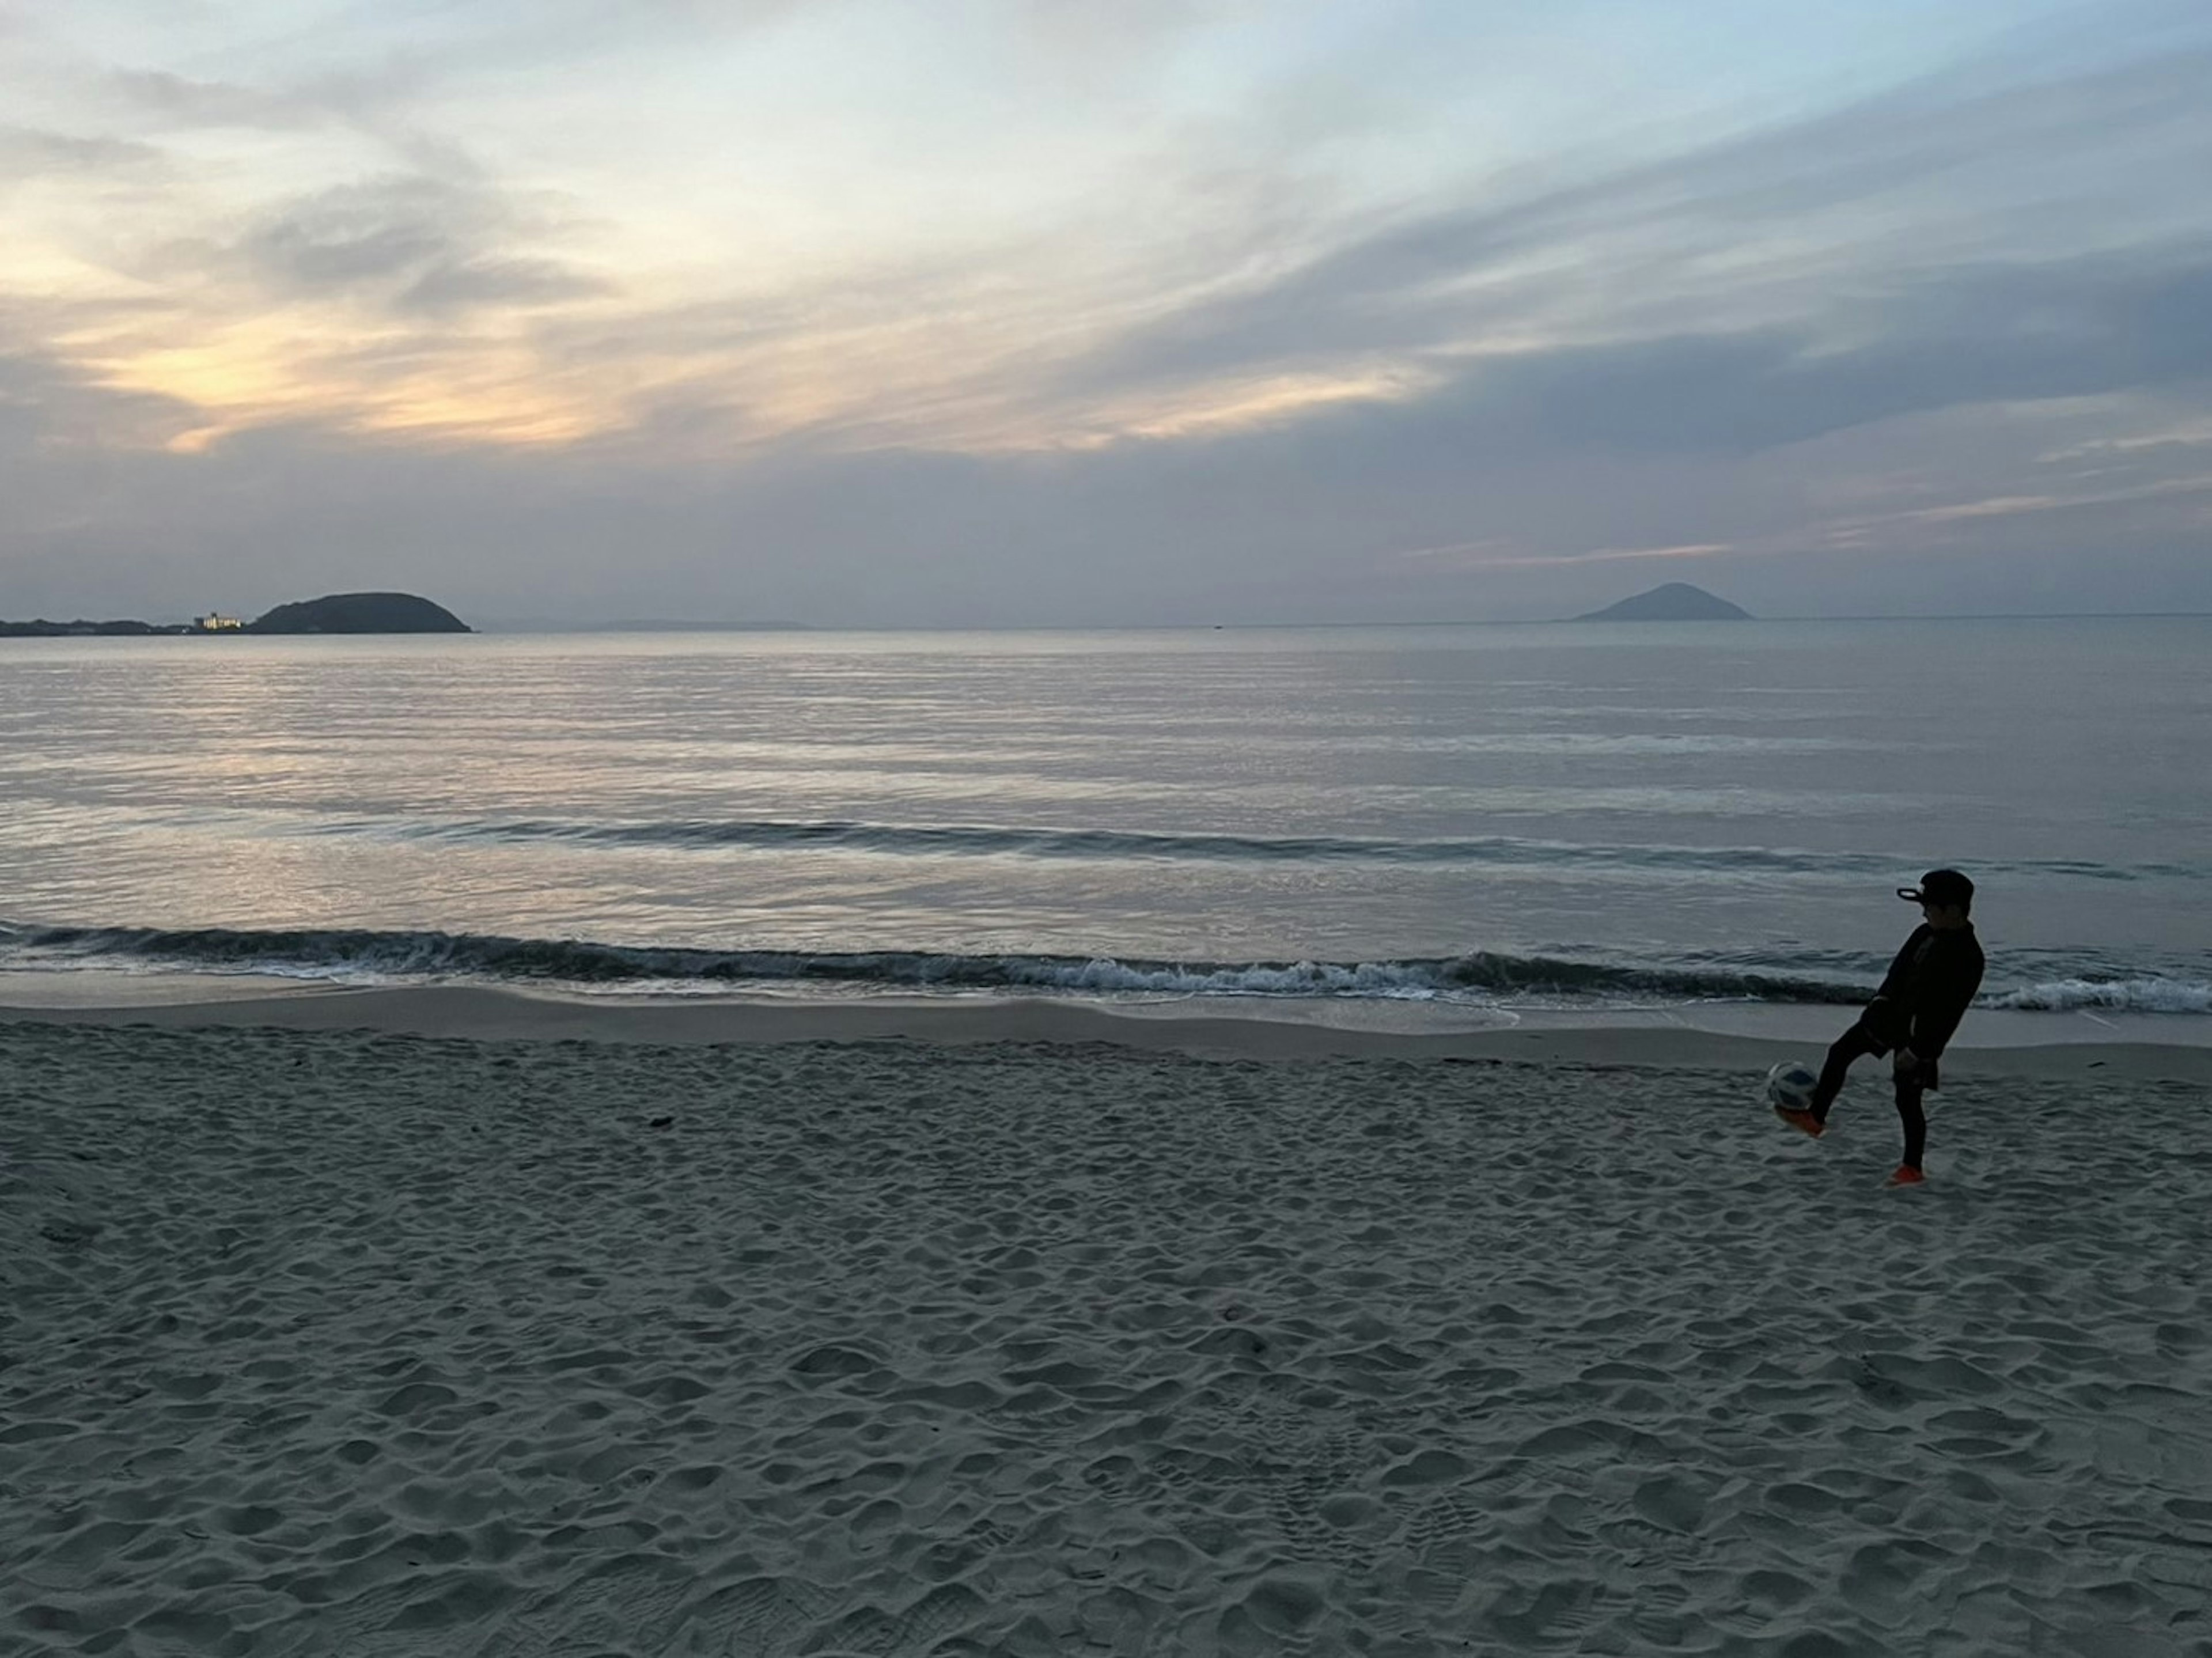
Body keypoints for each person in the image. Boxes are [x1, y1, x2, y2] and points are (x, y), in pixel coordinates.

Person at [1775, 868, 1985, 1186]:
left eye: (1930, 907)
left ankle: (1912, 1168)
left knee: (1907, 1099)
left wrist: (1919, 1051)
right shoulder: (1923, 933)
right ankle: (1815, 1117)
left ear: (1953, 910)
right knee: (1840, 1052)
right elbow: (1897, 973)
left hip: (1921, 1037)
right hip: (1889, 1019)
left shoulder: (1969, 957)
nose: (1924, 911)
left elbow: (1949, 1013)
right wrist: (1879, 1003)